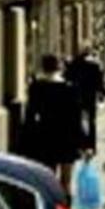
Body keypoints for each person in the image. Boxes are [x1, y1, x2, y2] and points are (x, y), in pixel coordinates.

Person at [22, 53, 83, 200]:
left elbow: (30, 115)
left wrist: (27, 139)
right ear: (59, 67)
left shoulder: (36, 87)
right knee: (66, 181)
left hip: (44, 136)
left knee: (47, 177)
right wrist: (82, 142)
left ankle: (50, 206)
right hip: (66, 136)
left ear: (43, 67)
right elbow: (76, 117)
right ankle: (65, 208)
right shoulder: (69, 88)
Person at [66, 45, 105, 153]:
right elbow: (99, 83)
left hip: (76, 96)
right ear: (90, 52)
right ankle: (91, 146)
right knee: (91, 122)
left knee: (77, 121)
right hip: (90, 96)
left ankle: (79, 145)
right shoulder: (95, 64)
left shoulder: (74, 63)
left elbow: (68, 78)